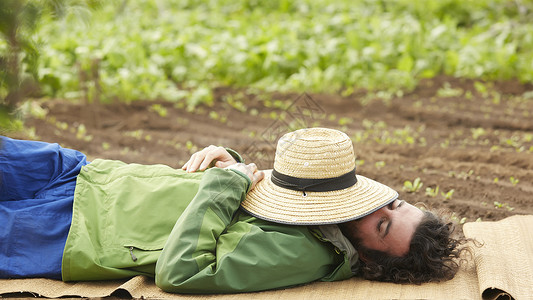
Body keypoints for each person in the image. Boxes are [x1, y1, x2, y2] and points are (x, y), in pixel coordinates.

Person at [0, 128, 466, 293]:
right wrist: (230, 163)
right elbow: (251, 204)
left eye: (383, 224)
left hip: (72, 231)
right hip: (91, 175)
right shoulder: (322, 210)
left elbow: (183, 271)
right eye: (396, 203)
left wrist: (224, 185)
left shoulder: (305, 256)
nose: (379, 207)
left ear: (368, 259)